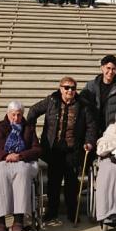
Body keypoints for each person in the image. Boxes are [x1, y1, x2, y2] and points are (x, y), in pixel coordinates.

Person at [26, 76, 97, 221]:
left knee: (71, 183)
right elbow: (33, 111)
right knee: (54, 182)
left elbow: (91, 126)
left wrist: (89, 142)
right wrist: (31, 132)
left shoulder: (83, 105)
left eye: (73, 88)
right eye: (66, 88)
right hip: (54, 150)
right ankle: (52, 211)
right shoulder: (52, 100)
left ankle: (72, 212)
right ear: (60, 88)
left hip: (73, 150)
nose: (70, 91)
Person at [0, 101, 43, 231]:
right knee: (0, 174)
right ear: (8, 113)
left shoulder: (28, 128)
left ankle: (18, 219)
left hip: (22, 161)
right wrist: (5, 155)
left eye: (19, 115)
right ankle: (0, 222)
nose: (16, 118)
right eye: (13, 115)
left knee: (21, 173)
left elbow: (37, 149)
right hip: (0, 161)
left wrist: (21, 155)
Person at [83, 54, 116, 134]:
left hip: (114, 130)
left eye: (113, 69)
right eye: (108, 68)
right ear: (102, 68)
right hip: (94, 129)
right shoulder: (91, 86)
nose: (110, 72)